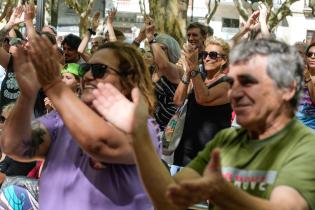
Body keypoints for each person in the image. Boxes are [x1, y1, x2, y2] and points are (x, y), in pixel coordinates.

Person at [92, 39, 315, 210]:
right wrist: (139, 136)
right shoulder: (227, 141)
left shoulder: (306, 147)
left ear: (288, 89)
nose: (235, 92)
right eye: (234, 82)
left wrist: (223, 192)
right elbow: (169, 198)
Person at [0, 37, 159, 210]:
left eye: (99, 70)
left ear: (129, 81)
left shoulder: (143, 126)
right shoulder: (59, 119)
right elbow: (12, 146)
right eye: (86, 68)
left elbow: (99, 144)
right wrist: (27, 95)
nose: (88, 76)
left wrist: (53, 85)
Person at [173, 37, 231, 166]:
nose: (207, 58)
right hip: (185, 148)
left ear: (224, 60)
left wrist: (194, 69)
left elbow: (203, 98)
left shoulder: (228, 83)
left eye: (213, 55)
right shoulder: (199, 77)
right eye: (205, 54)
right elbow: (177, 101)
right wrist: (188, 72)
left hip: (210, 152)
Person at [296, 42, 315, 129]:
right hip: (294, 125)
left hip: (311, 127)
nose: (312, 57)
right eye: (310, 54)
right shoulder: (298, 73)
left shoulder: (306, 75)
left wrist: (308, 77)